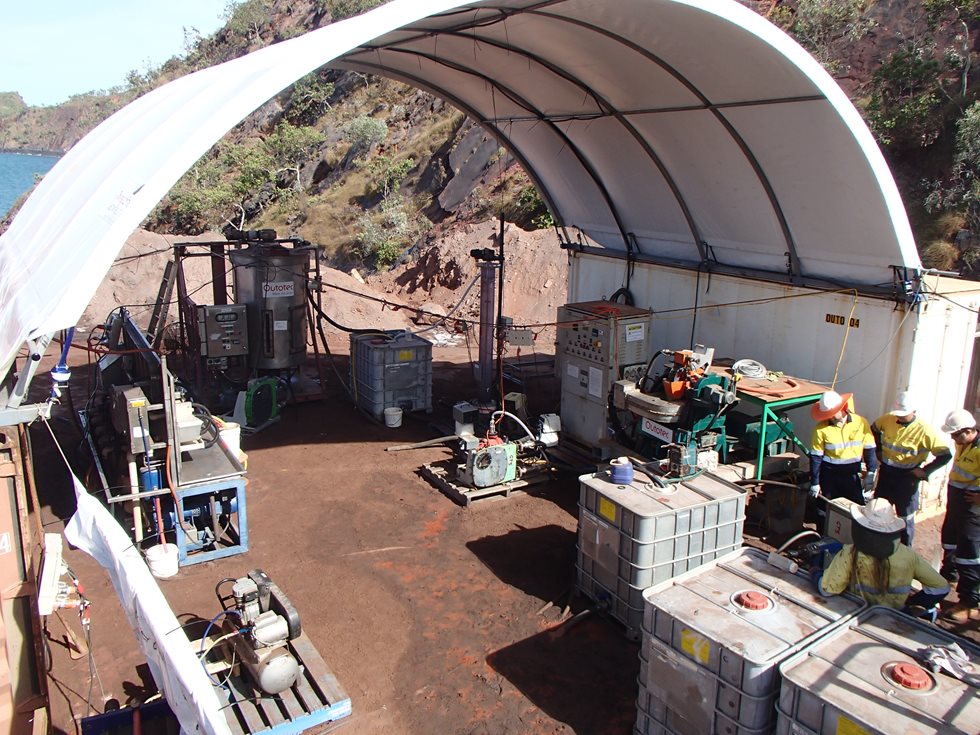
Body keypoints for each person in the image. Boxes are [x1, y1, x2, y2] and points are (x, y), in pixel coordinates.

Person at [815, 498, 949, 614]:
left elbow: (827, 589)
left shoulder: (851, 552)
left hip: (858, 612)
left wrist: (814, 572)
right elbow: (941, 587)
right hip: (895, 618)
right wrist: (911, 602)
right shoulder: (909, 555)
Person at [871, 391, 951, 546]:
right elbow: (874, 428)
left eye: (903, 415)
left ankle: (905, 549)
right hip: (887, 474)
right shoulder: (888, 419)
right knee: (878, 511)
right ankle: (877, 545)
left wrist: (925, 471)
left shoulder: (924, 430)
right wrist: (879, 450)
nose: (899, 418)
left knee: (905, 517)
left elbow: (944, 455)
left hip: (907, 479)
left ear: (914, 411)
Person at [939, 408, 980, 623]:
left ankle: (970, 602)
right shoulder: (964, 444)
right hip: (956, 506)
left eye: (956, 434)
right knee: (950, 543)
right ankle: (949, 579)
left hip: (972, 513)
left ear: (969, 430)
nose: (953, 439)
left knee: (969, 555)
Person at [810, 390, 878, 507]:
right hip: (829, 476)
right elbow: (816, 457)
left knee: (855, 509)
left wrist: (871, 472)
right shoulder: (820, 429)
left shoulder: (861, 423)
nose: (829, 417)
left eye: (832, 413)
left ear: (842, 408)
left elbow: (869, 450)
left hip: (851, 476)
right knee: (825, 510)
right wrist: (815, 482)